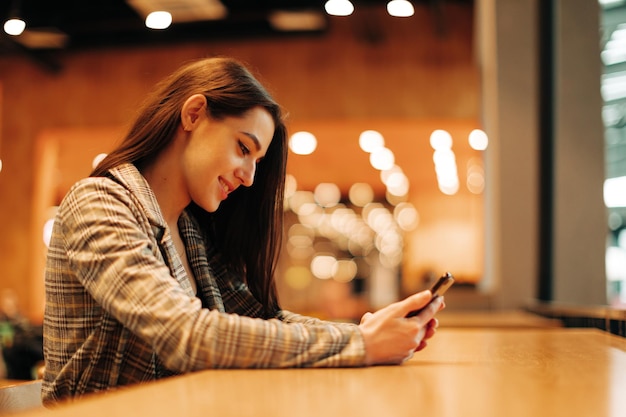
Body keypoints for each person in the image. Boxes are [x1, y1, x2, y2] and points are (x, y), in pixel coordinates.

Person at [42, 56, 444, 405]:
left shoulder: (187, 231)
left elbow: (262, 318)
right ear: (194, 114)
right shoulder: (98, 202)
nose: (250, 177)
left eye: (256, 159)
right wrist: (360, 345)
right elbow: (189, 336)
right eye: (243, 148)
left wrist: (364, 331)